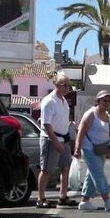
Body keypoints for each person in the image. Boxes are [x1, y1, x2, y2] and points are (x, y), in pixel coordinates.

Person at [36, 71, 78, 209]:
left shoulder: (64, 101)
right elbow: (47, 124)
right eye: (64, 85)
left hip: (63, 138)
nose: (66, 88)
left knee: (65, 168)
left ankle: (63, 196)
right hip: (50, 139)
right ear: (56, 85)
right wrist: (55, 142)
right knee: (46, 170)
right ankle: (41, 198)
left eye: (68, 85)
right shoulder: (49, 101)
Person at [74, 90, 110, 212]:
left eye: (109, 101)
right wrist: (77, 149)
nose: (107, 103)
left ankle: (84, 201)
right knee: (98, 174)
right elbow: (81, 132)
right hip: (89, 149)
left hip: (101, 150)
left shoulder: (108, 116)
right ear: (98, 101)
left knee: (92, 174)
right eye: (104, 100)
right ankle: (107, 200)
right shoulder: (90, 114)